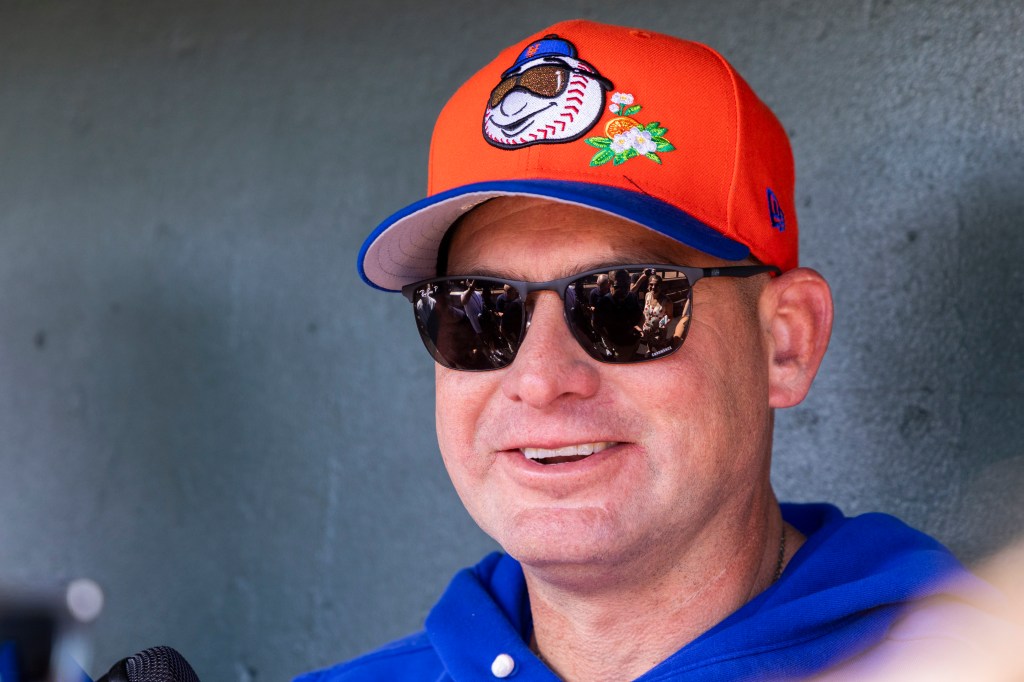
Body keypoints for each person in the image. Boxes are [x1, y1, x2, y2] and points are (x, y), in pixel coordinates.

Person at [297, 20, 1020, 682]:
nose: (541, 380)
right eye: (477, 310)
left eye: (626, 300)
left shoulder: (965, 660)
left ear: (786, 342)